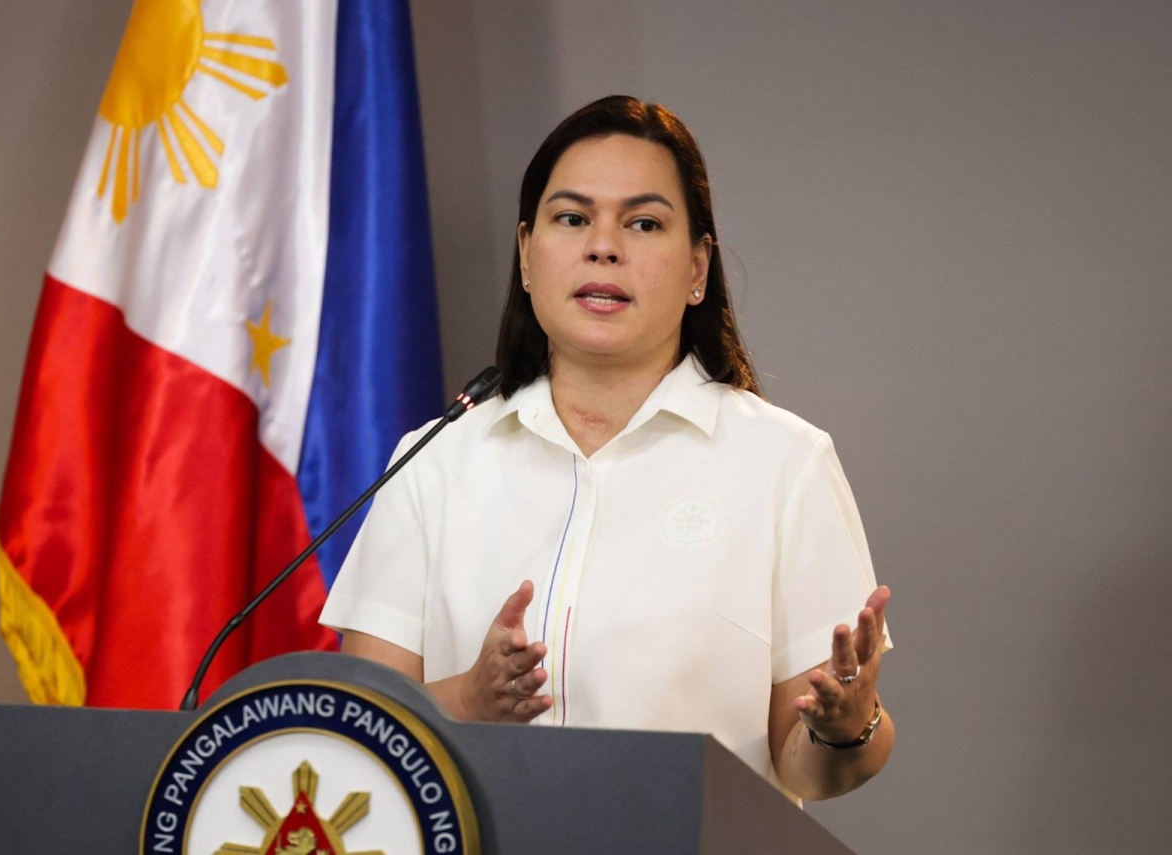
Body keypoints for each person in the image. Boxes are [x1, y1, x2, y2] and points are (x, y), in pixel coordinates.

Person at [321, 95, 894, 802]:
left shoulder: (784, 464)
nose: (603, 245)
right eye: (572, 218)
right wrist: (468, 700)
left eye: (644, 223)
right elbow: (353, 727)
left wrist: (846, 724)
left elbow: (809, 762)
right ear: (527, 255)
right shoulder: (434, 461)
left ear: (697, 268)